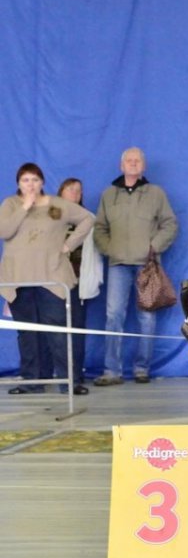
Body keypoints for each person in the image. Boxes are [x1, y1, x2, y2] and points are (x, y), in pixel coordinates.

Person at [0, 163, 94, 395]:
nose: (30, 185)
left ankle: (67, 382)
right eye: (25, 180)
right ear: (18, 184)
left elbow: (88, 219)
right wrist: (25, 207)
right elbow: (4, 232)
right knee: (28, 333)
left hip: (51, 277)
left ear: (42, 182)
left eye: (34, 180)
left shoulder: (58, 204)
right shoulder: (11, 204)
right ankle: (32, 381)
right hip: (19, 278)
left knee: (59, 331)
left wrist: (69, 245)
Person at [93, 148, 178, 385]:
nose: (132, 163)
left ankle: (142, 369)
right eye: (128, 161)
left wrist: (154, 246)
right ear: (121, 166)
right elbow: (99, 228)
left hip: (147, 266)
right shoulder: (109, 195)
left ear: (143, 166)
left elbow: (170, 224)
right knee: (113, 316)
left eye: (137, 160)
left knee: (147, 318)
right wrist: (110, 249)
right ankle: (112, 371)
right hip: (118, 264)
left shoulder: (156, 193)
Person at [57, 178, 91, 391]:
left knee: (76, 331)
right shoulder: (50, 217)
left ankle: (75, 378)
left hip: (77, 283)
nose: (75, 194)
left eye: (79, 191)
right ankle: (58, 377)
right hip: (53, 282)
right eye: (71, 190)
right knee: (55, 332)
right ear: (61, 193)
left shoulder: (87, 219)